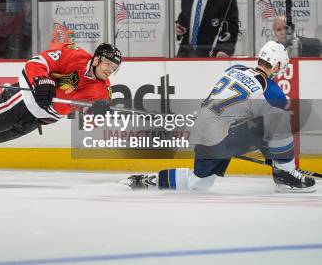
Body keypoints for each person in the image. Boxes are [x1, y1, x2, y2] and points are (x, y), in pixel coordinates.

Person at [124, 41, 316, 193]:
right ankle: (286, 174)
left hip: (202, 133)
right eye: (281, 66)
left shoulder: (235, 69)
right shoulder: (273, 91)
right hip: (224, 136)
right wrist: (275, 157)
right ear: (276, 66)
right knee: (279, 117)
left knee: (199, 183)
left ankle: (149, 180)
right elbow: (269, 125)